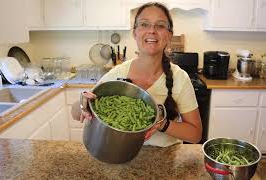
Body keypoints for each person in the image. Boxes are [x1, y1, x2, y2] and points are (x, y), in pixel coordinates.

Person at [71, 2, 202, 147]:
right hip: (121, 153)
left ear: (169, 35)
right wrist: (82, 105)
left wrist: (161, 124)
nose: (152, 30)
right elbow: (76, 114)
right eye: (144, 24)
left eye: (160, 25)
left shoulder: (180, 78)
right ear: (135, 32)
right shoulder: (118, 73)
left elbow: (195, 134)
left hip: (167, 159)